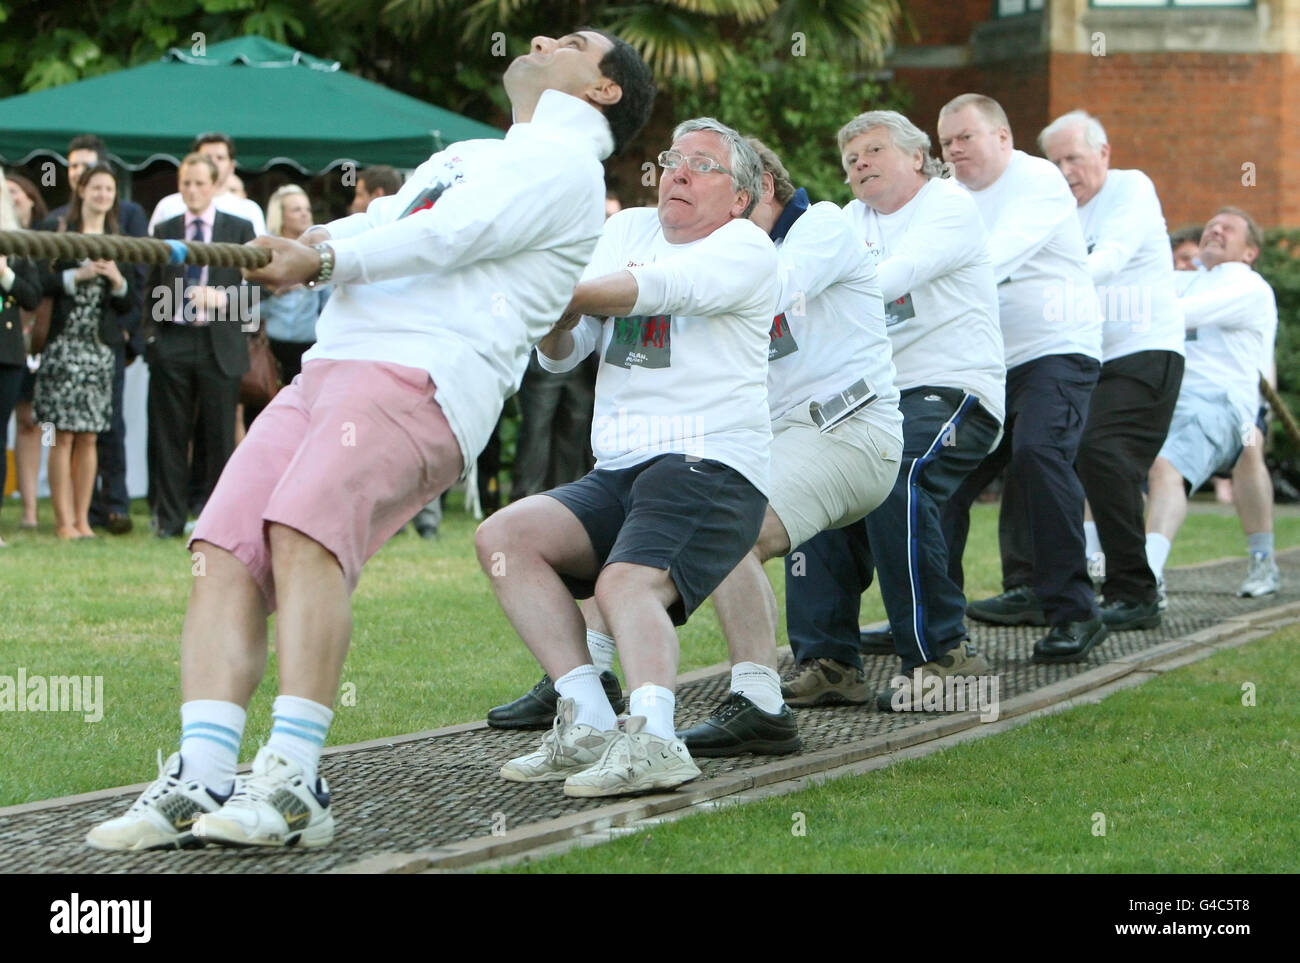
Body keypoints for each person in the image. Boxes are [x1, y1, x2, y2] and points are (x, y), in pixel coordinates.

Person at [86, 28, 654, 851]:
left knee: (302, 530)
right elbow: (385, 224)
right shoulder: (466, 152)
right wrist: (310, 244)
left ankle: (292, 780)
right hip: (330, 368)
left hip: (422, 375)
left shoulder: (566, 170)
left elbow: (450, 237)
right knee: (223, 547)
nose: (539, 38)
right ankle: (200, 777)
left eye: (569, 41)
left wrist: (315, 266)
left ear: (604, 90)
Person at [479, 117, 775, 796]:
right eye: (674, 158)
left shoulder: (747, 246)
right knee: (505, 537)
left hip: (710, 463)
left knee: (624, 584)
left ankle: (654, 738)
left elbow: (659, 289)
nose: (679, 171)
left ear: (739, 198)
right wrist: (553, 317)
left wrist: (547, 291)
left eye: (703, 165)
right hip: (620, 467)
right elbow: (563, 353)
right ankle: (585, 716)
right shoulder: (626, 229)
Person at [679, 132, 903, 748]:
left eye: (725, 190)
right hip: (785, 439)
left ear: (763, 190)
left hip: (849, 428)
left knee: (730, 534)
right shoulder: (732, 253)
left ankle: (758, 705)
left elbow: (769, 289)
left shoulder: (823, 225)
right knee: (646, 523)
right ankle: (580, 682)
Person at [782, 110, 1005, 711]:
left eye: (874, 150)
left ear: (916, 157)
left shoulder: (949, 206)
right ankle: (827, 661)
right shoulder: (848, 220)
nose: (860, 165)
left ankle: (943, 657)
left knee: (898, 479)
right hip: (870, 397)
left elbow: (889, 278)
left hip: (952, 389)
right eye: (851, 159)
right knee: (811, 483)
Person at [936, 93, 1106, 664]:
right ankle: (932, 618)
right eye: (945, 142)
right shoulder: (947, 195)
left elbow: (990, 259)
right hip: (986, 364)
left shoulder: (1037, 181)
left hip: (1056, 352)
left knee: (1038, 455)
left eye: (965, 137)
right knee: (937, 478)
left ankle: (1074, 613)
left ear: (1003, 137)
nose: (954, 149)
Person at [1039, 110, 1185, 631]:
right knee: (1039, 452)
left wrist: (1056, 283)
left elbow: (1113, 256)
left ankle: (1135, 591)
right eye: (1053, 162)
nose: (1063, 171)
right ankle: (1039, 586)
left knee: (1103, 453)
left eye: (1072, 158)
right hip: (1088, 357)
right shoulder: (1061, 212)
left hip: (1146, 350)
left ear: (1102, 153)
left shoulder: (1129, 188)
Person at [1146, 209, 1279, 605]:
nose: (1215, 230)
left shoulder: (1247, 286)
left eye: (1228, 228)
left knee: (1237, 455)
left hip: (1229, 404)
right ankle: (1097, 562)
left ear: (1250, 251)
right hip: (1171, 399)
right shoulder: (1187, 281)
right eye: (1210, 226)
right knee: (1104, 457)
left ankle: (1150, 574)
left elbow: (1172, 312)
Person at [142, 153, 256, 539]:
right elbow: (150, 285)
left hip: (218, 341)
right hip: (172, 339)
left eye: (199, 184)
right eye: (185, 183)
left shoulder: (239, 228)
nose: (192, 190)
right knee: (169, 435)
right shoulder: (166, 228)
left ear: (215, 185)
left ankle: (218, 522)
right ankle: (169, 521)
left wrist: (223, 299)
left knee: (219, 435)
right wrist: (152, 337)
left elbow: (260, 289)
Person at [39, 136, 148, 536]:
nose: (102, 194)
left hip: (102, 349)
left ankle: (85, 520)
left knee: (90, 435)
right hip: (62, 345)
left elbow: (134, 298)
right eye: (95, 186)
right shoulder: (57, 226)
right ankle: (62, 521)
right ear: (81, 189)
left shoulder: (121, 236)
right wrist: (76, 276)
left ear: (115, 195)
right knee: (59, 434)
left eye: (108, 188)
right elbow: (37, 286)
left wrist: (117, 280)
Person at [0, 171, 42, 548]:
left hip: (6, 353)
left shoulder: (20, 244)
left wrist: (5, 273)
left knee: (0, 438)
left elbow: (32, 296)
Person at [261, 184, 328, 385]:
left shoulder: (320, 251)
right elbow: (251, 307)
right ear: (281, 215)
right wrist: (274, 289)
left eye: (307, 209)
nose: (305, 215)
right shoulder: (266, 251)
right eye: (297, 209)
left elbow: (328, 303)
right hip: (271, 347)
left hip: (309, 347)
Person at [148, 132, 267, 236]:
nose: (213, 162)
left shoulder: (249, 210)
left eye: (220, 158)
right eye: (207, 157)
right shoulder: (167, 206)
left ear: (231, 166)